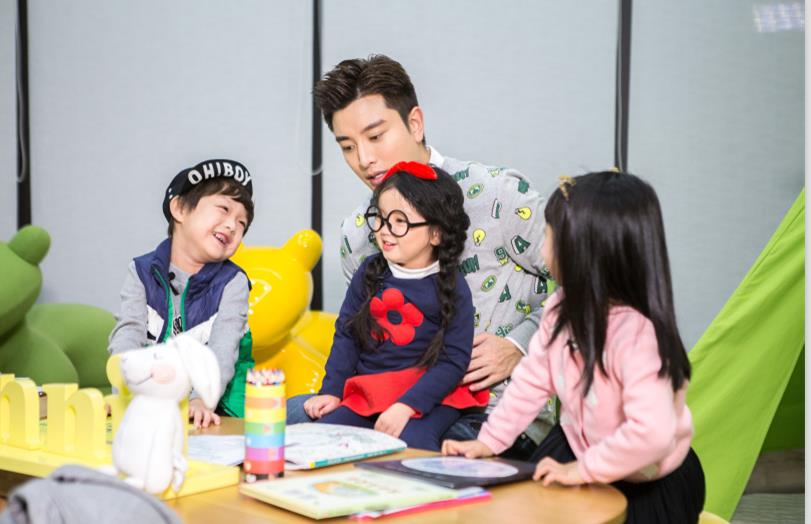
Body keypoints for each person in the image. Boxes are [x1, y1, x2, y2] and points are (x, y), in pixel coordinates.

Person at [289, 54, 555, 456]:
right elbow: (356, 338)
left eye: (376, 136)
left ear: (415, 123)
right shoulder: (359, 232)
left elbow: (595, 286)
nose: (364, 159)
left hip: (494, 412)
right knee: (282, 423)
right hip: (385, 403)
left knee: (414, 453)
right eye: (348, 146)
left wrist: (521, 345)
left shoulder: (498, 195)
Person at [443, 172, 706, 522]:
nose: (541, 251)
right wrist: (489, 441)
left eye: (549, 238)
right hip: (580, 449)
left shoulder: (638, 336)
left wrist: (582, 470)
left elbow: (652, 434)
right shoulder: (560, 309)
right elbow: (531, 382)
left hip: (645, 477)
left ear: (585, 253)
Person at [304, 162, 487, 451]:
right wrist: (332, 391)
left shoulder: (452, 286)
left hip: (432, 393)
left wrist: (407, 406)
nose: (385, 230)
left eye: (400, 221)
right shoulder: (369, 272)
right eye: (380, 217)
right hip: (372, 389)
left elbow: (453, 361)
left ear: (436, 233)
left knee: (412, 441)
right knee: (323, 437)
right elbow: (346, 335)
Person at [108, 158, 255, 428]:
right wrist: (123, 391)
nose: (232, 226)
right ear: (179, 209)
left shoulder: (233, 282)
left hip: (221, 402)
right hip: (158, 395)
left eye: (241, 223)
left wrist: (202, 401)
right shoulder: (141, 271)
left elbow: (223, 350)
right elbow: (128, 335)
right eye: (223, 209)